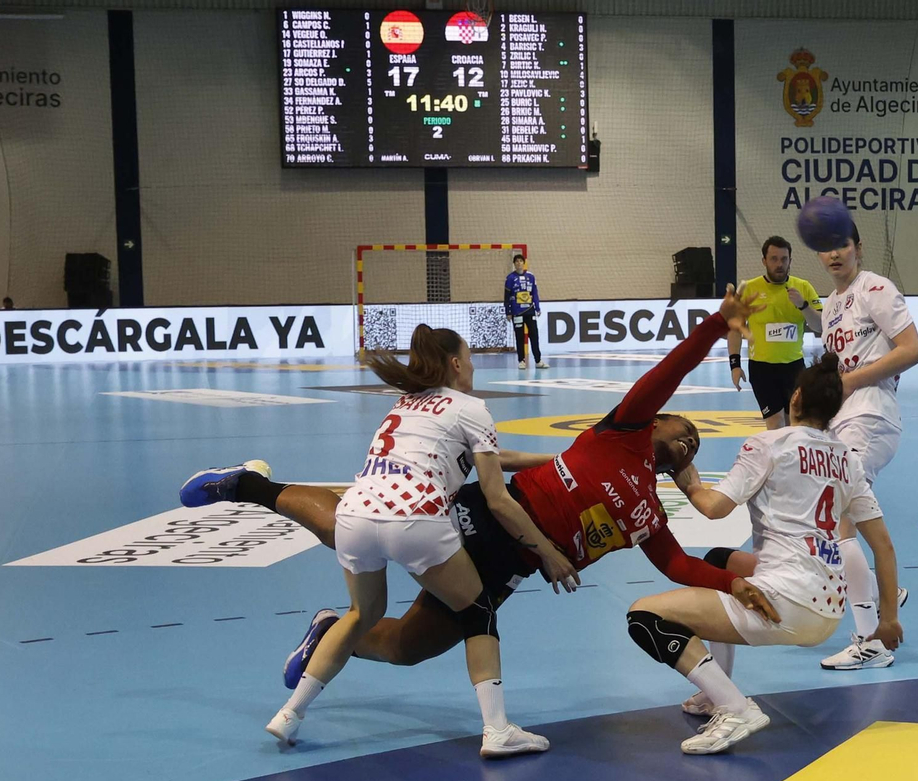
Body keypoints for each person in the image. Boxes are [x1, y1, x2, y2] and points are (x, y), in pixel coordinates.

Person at [184, 289, 779, 703]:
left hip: (511, 565)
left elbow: (677, 564)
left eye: (693, 445)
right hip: (489, 520)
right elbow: (665, 374)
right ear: (657, 423)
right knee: (351, 527)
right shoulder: (621, 429)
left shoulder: (649, 510)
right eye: (682, 428)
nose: (688, 439)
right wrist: (711, 327)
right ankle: (249, 485)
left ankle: (329, 634)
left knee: (410, 648)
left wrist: (734, 583)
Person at [186, 325, 579, 754]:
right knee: (477, 611)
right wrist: (546, 551)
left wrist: (557, 458)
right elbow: (497, 498)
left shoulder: (406, 404)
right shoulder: (472, 408)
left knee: (361, 614)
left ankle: (289, 714)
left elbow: (490, 456)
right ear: (454, 363)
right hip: (417, 520)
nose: (473, 366)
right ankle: (498, 730)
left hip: (355, 515)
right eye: (470, 358)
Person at [627, 354, 902, 754]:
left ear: (794, 400)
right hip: (829, 606)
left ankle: (734, 707)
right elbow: (884, 546)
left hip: (784, 602)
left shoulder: (768, 444)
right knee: (718, 561)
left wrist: (688, 480)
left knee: (644, 615)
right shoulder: (847, 458)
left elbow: (713, 508)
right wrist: (889, 619)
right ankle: (716, 690)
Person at [814, 221, 918, 670]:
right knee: (833, 518)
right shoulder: (830, 306)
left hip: (871, 414)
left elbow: (912, 349)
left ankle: (870, 641)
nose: (835, 254)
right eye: (826, 248)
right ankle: (880, 595)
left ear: (857, 248)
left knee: (842, 517)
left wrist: (850, 382)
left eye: (842, 245)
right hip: (843, 419)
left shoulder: (874, 287)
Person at [728, 236, 823, 430]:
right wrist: (735, 365)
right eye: (773, 259)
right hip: (762, 369)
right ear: (764, 261)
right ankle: (777, 460)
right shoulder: (749, 289)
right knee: (775, 422)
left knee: (794, 423)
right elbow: (735, 329)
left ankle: (791, 460)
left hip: (794, 368)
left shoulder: (803, 287)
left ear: (790, 260)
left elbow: (820, 326)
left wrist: (803, 305)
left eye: (784, 259)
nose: (779, 264)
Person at [504, 254, 548, 370]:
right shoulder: (510, 278)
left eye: (520, 261)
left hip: (529, 311)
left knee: (534, 335)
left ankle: (538, 361)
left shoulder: (531, 276)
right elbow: (506, 296)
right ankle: (521, 361)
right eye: (516, 261)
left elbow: (535, 293)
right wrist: (508, 311)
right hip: (517, 311)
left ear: (524, 263)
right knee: (519, 337)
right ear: (514, 264)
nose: (519, 263)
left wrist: (537, 307)